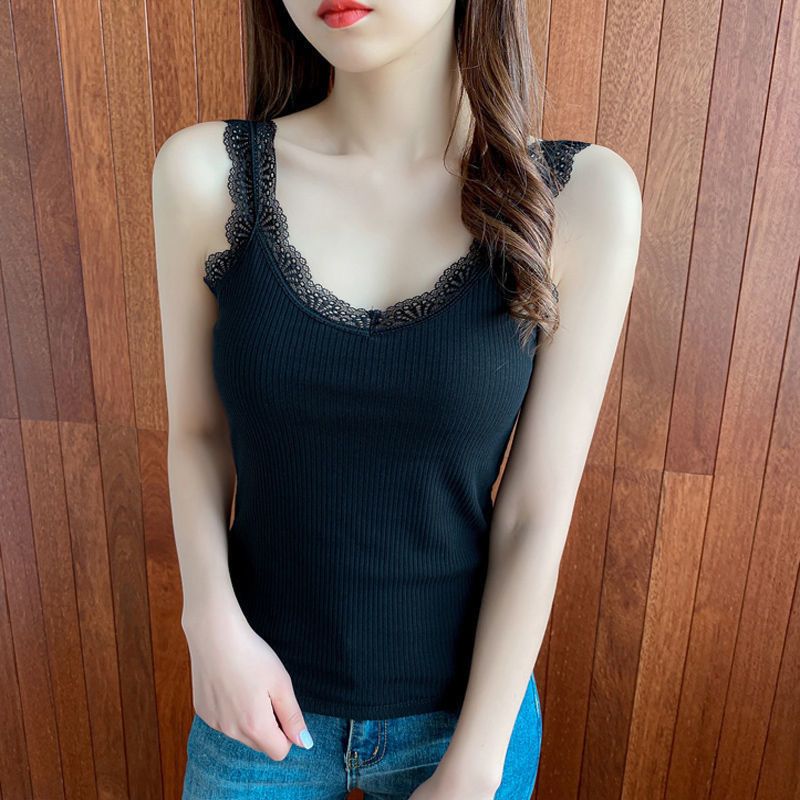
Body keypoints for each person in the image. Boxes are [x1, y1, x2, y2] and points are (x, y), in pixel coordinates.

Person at [151, 1, 641, 798]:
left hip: (466, 723)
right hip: (256, 706)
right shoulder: (204, 175)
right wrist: (209, 622)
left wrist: (474, 768)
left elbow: (536, 510)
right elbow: (199, 435)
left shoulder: (579, 199)